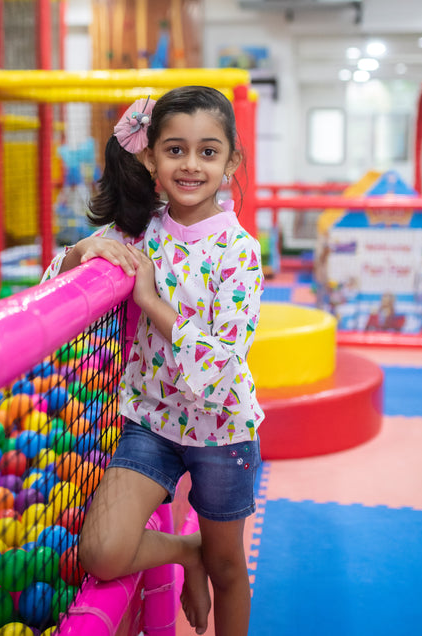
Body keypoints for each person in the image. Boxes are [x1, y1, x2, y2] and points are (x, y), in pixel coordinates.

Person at [42, 85, 265, 635]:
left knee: (229, 566)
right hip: (152, 422)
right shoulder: (140, 231)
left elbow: (219, 363)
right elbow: (51, 282)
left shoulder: (240, 253)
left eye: (208, 152)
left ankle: (205, 557)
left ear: (232, 159)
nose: (191, 165)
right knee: (102, 551)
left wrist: (151, 303)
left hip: (221, 430)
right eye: (175, 150)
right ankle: (184, 550)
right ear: (150, 157)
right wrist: (82, 251)